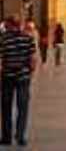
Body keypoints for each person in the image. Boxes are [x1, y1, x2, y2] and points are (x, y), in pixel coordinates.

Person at [0, 16, 36, 146]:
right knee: (23, 108)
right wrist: (29, 73)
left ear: (9, 24)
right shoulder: (28, 38)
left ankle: (6, 137)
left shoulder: (3, 39)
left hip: (7, 77)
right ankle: (20, 136)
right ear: (19, 24)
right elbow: (33, 59)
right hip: (23, 77)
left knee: (6, 107)